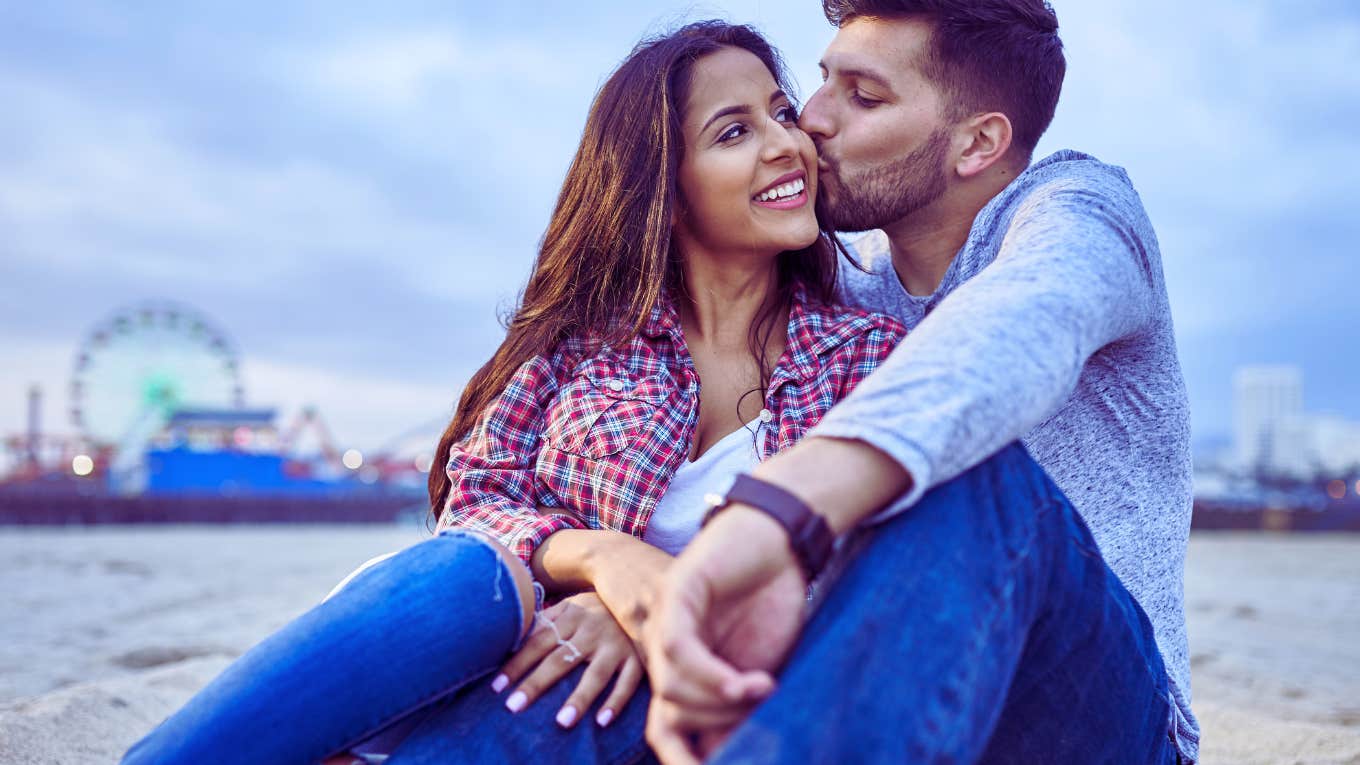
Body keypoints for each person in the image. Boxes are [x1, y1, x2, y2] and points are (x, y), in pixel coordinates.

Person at [121, 20, 907, 765]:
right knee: (470, 574)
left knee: (628, 670)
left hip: (643, 701)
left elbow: (863, 571)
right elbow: (479, 498)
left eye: (779, 111)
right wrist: (608, 560)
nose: (787, 144)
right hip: (463, 645)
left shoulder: (865, 359)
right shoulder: (583, 342)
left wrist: (659, 609)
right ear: (664, 189)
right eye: (734, 132)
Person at [641, 1, 1198, 764]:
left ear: (978, 144)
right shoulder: (840, 289)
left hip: (1099, 712)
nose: (811, 119)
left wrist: (779, 509)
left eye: (863, 97)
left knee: (975, 476)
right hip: (899, 696)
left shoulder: (1078, 214)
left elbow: (1026, 320)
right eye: (824, 81)